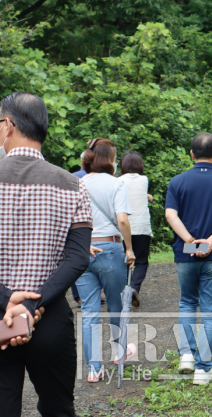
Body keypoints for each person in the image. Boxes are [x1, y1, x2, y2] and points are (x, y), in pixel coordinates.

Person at [0, 92, 93, 417]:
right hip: (49, 316)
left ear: (8, 125)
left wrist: (6, 298)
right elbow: (78, 258)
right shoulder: (73, 186)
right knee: (58, 410)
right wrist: (31, 304)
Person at [165, 133, 212, 385]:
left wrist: (190, 240)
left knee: (187, 302)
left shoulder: (177, 181)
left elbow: (170, 214)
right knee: (210, 313)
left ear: (191, 154)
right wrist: (209, 242)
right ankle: (203, 369)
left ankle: (186, 355)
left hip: (185, 250)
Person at [76, 138, 136, 383]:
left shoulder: (76, 183)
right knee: (116, 306)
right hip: (110, 247)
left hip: (83, 249)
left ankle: (93, 369)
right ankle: (118, 355)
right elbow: (122, 220)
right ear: (110, 159)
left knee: (89, 311)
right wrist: (129, 249)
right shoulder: (116, 183)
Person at [118, 151, 153, 307]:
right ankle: (134, 287)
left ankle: (123, 291)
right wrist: (147, 197)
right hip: (141, 225)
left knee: (124, 260)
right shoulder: (144, 180)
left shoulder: (117, 181)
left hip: (123, 226)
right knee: (142, 262)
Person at [70, 151, 88, 307]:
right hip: (92, 223)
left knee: (76, 257)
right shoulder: (101, 177)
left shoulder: (73, 176)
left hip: (75, 223)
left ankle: (79, 296)